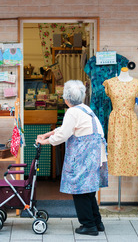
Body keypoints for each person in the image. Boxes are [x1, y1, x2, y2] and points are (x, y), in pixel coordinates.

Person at [36, 80, 108, 236]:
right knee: (89, 190)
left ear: (66, 98)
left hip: (85, 154)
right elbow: (65, 129)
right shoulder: (85, 109)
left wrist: (45, 141)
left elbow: (62, 135)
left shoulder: (72, 112)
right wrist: (47, 135)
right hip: (94, 153)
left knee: (80, 189)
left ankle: (88, 225)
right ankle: (97, 222)